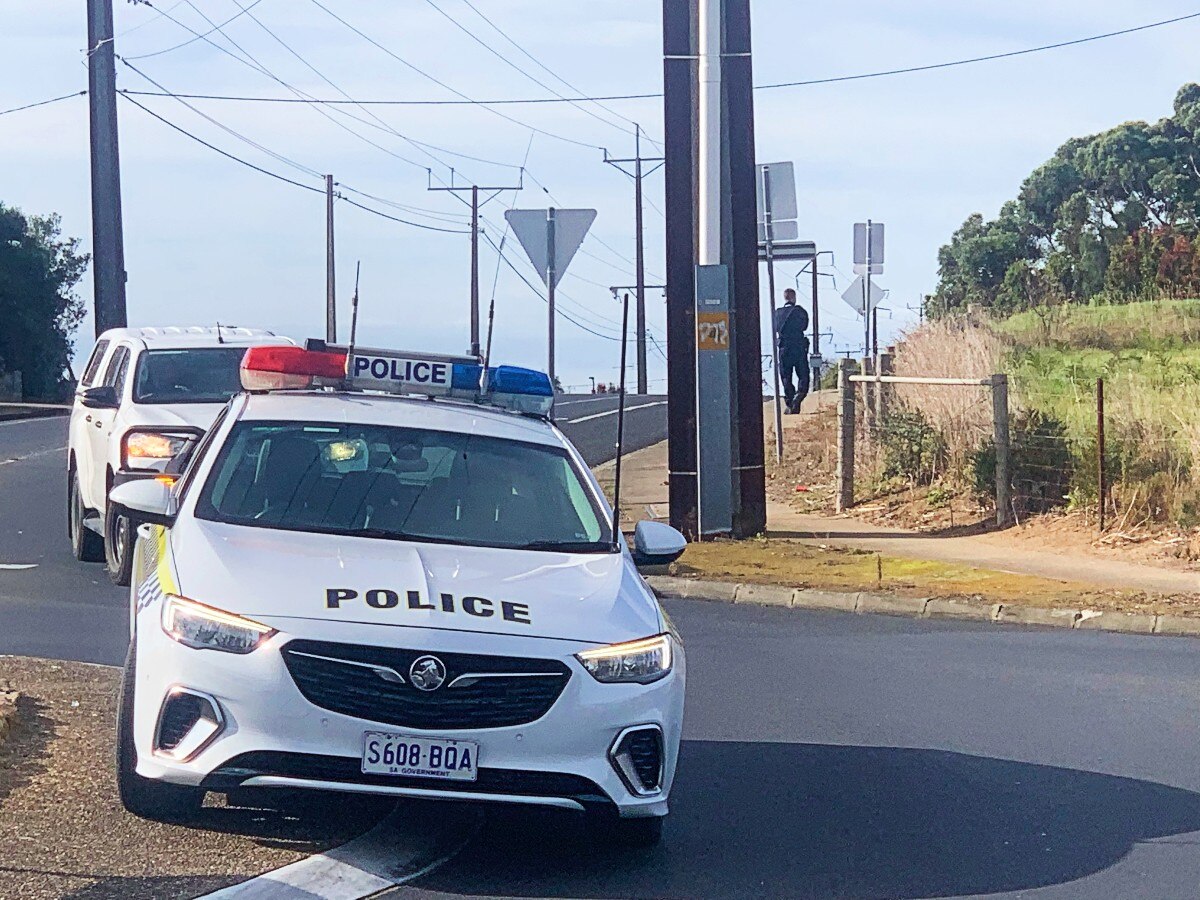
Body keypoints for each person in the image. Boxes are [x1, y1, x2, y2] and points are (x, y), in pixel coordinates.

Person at [773, 288, 810, 414]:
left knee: (785, 376)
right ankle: (798, 396)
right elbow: (804, 326)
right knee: (803, 374)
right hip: (798, 347)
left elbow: (775, 327)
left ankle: (790, 401)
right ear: (794, 298)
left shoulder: (777, 313)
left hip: (784, 348)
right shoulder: (800, 311)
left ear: (784, 298)